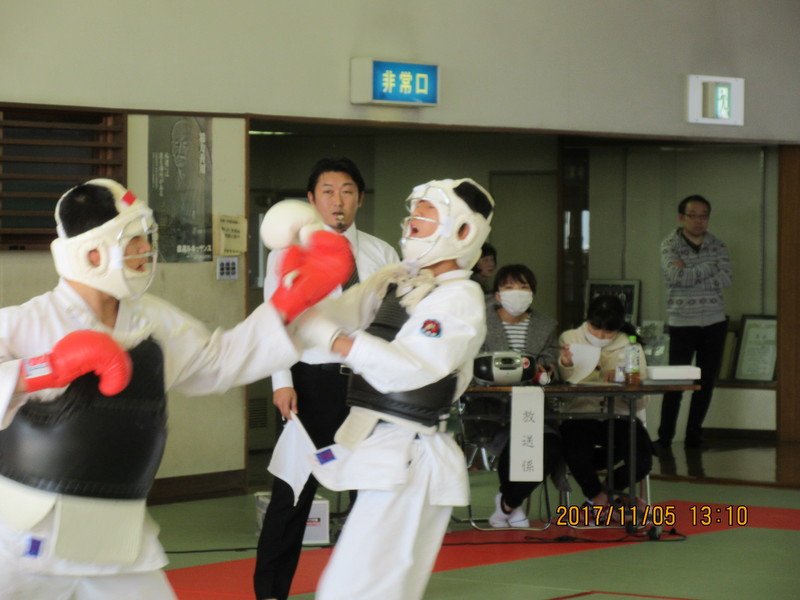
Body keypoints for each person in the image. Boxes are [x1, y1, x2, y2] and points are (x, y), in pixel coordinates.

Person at [0, 178, 352, 600]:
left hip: (116, 536)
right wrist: (45, 368)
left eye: (145, 238)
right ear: (93, 253)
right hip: (25, 534)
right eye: (133, 241)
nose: (144, 251)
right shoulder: (28, 323)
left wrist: (289, 303)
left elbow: (219, 361)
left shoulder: (152, 321)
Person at [281, 177, 493, 600]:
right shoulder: (400, 280)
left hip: (411, 453)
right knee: (361, 586)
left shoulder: (460, 298)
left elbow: (409, 369)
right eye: (413, 211)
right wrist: (301, 282)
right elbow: (330, 316)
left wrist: (334, 338)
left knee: (359, 588)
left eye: (427, 214)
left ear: (462, 231)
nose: (413, 220)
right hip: (379, 443)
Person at [253, 157, 398, 600]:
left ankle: (363, 590)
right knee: (292, 493)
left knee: (370, 495)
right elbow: (276, 318)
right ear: (312, 199)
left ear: (360, 198)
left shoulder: (381, 254)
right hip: (310, 383)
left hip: (369, 387)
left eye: (348, 190)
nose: (339, 200)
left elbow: (393, 323)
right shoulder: (289, 254)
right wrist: (281, 380)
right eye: (329, 191)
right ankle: (271, 592)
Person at [479, 264, 562, 528]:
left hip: (536, 409)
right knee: (515, 441)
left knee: (550, 447)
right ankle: (511, 507)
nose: (517, 292)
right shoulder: (479, 323)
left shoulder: (546, 325)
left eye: (523, 287)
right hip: (492, 410)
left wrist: (549, 367)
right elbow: (469, 364)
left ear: (533, 293)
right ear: (497, 294)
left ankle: (507, 504)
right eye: (509, 287)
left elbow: (551, 361)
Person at [557, 294, 652, 515]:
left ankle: (604, 497)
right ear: (586, 318)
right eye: (595, 328)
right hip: (579, 415)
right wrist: (566, 364)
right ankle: (601, 498)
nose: (601, 335)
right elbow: (561, 386)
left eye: (608, 331)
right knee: (575, 452)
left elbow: (643, 399)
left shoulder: (632, 346)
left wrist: (627, 383)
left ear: (619, 327)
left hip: (620, 416)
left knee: (642, 460)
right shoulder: (569, 338)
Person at [656, 194, 732, 450]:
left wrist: (691, 272)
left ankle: (693, 437)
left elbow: (727, 279)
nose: (699, 221)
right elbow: (676, 276)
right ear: (681, 217)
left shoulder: (717, 245)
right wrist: (708, 268)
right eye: (693, 215)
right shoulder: (669, 245)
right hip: (682, 322)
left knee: (705, 383)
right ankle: (665, 438)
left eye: (704, 216)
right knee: (675, 383)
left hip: (714, 321)